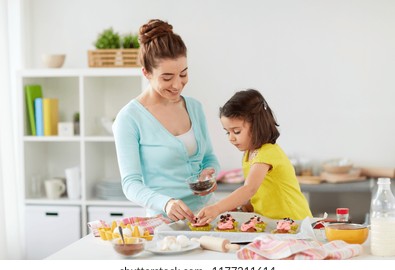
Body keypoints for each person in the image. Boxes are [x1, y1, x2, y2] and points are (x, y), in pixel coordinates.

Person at [112, 19, 220, 222]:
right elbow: (131, 184)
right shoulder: (129, 119)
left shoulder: (194, 108)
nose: (177, 85)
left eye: (184, 74)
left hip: (208, 215)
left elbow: (209, 158)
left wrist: (210, 175)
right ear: (146, 73)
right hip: (165, 223)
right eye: (167, 78)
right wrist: (166, 203)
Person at [197, 89, 312, 224]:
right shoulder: (249, 155)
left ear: (257, 125)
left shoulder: (267, 152)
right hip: (274, 224)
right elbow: (261, 193)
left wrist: (217, 208)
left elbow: (249, 189)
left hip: (295, 222)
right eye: (227, 132)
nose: (231, 138)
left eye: (236, 131)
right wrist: (244, 207)